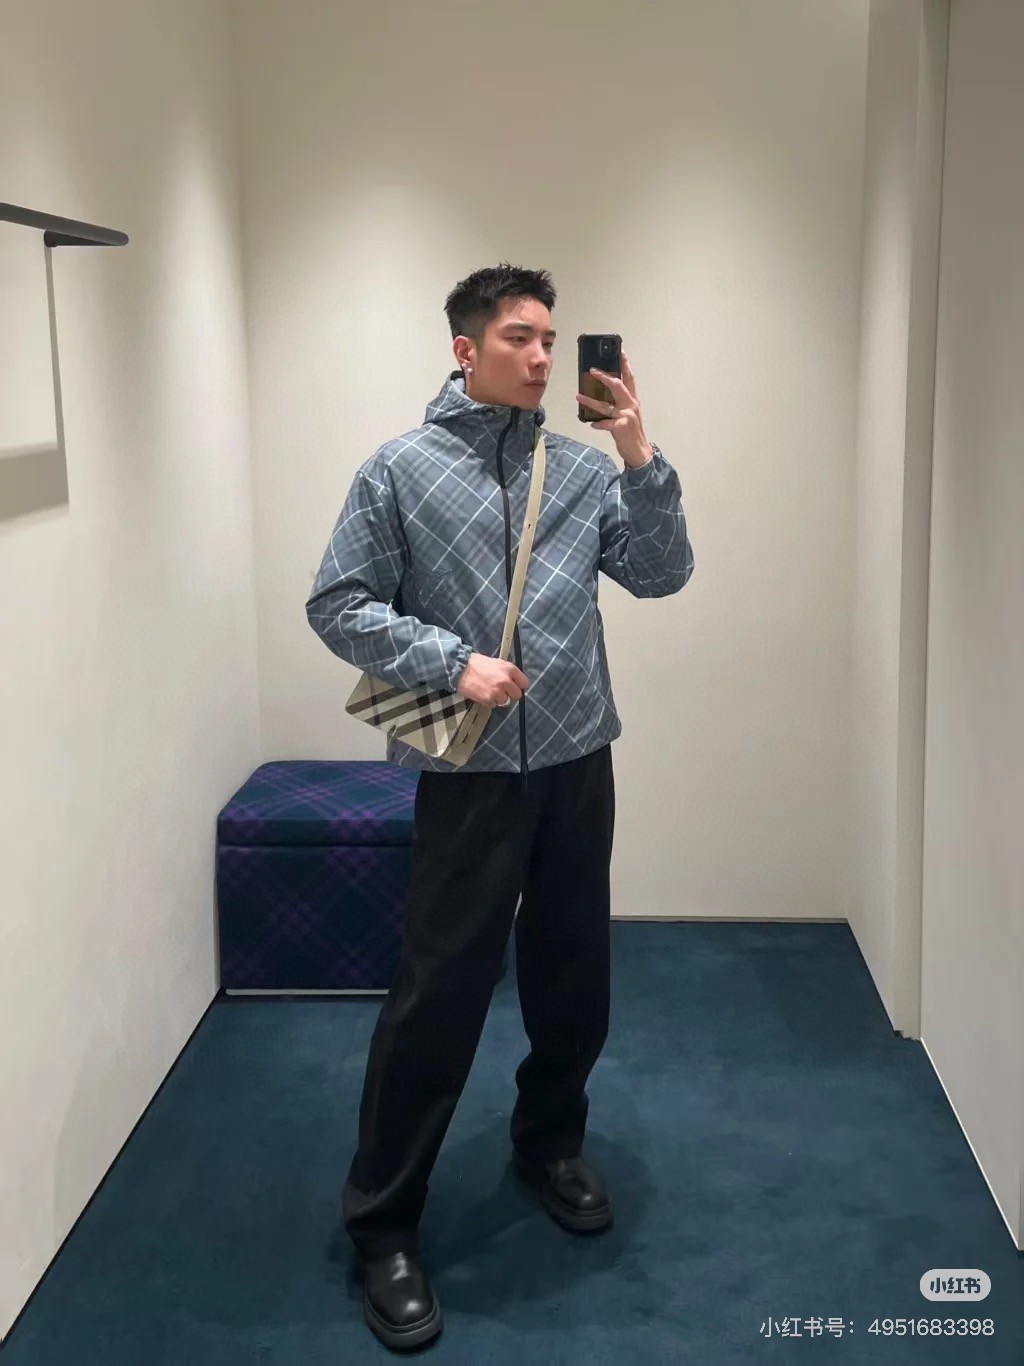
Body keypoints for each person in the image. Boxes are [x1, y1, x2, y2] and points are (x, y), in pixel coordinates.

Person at [305, 263, 694, 1351]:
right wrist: (452, 662)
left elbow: (662, 574)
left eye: (551, 339)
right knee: (437, 995)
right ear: (465, 349)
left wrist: (640, 456)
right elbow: (337, 603)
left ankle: (549, 1143)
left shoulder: (580, 472)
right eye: (520, 336)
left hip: (576, 761)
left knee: (574, 976)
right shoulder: (398, 471)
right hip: (467, 775)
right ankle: (384, 1223)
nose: (541, 356)